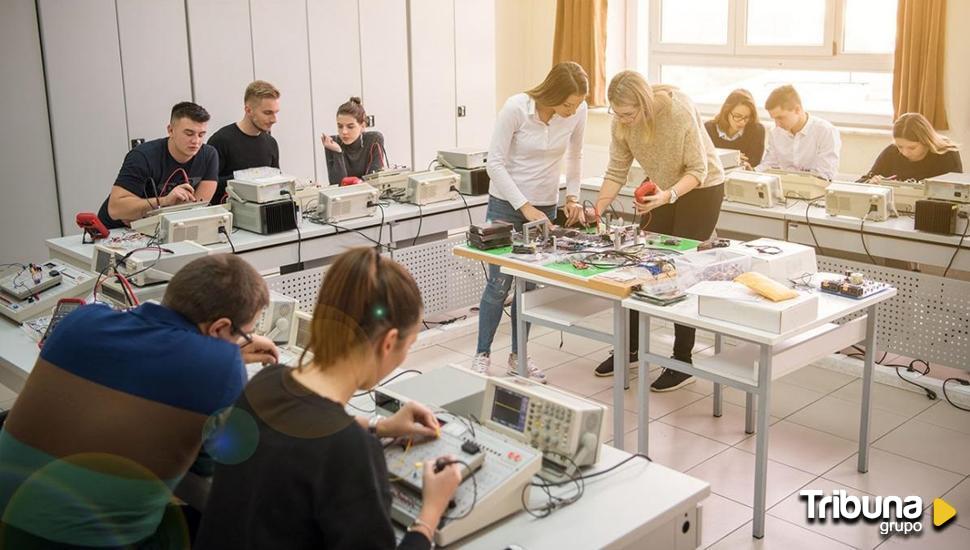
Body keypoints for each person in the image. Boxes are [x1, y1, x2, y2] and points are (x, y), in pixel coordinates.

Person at [0, 254, 278, 548]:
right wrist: (226, 361)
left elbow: (134, 364)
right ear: (220, 329)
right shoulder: (222, 366)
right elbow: (212, 469)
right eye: (246, 335)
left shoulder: (80, 321)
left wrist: (217, 355)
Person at [195, 247, 461, 550]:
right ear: (388, 343)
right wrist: (429, 514)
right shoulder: (350, 450)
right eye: (408, 344)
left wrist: (380, 426)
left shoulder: (267, 383)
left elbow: (298, 436)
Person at [593, 71, 724, 391]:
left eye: (628, 113)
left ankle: (682, 361)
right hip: (663, 189)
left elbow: (698, 169)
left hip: (702, 189)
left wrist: (668, 196)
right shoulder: (620, 123)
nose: (623, 120)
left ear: (645, 104)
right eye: (617, 113)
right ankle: (630, 349)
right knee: (640, 265)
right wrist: (596, 210)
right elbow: (616, 170)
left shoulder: (678, 112)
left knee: (680, 269)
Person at [472, 61, 589, 382]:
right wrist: (523, 207)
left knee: (529, 288)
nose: (572, 110)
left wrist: (573, 197)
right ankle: (482, 355)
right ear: (552, 93)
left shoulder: (578, 112)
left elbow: (575, 155)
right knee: (499, 285)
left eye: (577, 104)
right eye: (567, 104)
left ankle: (518, 357)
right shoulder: (516, 109)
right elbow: (493, 163)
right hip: (507, 204)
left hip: (545, 206)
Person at [97, 101, 219, 229]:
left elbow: (197, 208)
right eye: (189, 134)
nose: (196, 141)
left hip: (160, 226)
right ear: (170, 130)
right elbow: (116, 209)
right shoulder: (142, 156)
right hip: (116, 230)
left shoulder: (209, 155)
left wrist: (146, 214)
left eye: (201, 135)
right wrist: (165, 201)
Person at [207, 80, 281, 205]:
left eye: (276, 112)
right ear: (248, 110)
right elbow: (208, 186)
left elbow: (276, 183)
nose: (274, 119)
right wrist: (245, 178)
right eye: (267, 113)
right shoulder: (221, 140)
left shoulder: (271, 143)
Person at [756, 84, 841, 180]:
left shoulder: (826, 132)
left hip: (816, 191)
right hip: (785, 187)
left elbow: (825, 175)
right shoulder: (775, 132)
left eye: (780, 118)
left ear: (797, 109)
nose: (777, 124)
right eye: (774, 119)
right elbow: (769, 165)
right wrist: (751, 173)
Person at [863, 112, 962, 182]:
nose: (905, 153)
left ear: (926, 142)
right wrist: (871, 183)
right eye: (900, 146)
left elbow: (956, 193)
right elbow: (862, 181)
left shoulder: (947, 154)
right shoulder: (892, 151)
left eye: (912, 148)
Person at [320, 97, 386, 185]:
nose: (344, 132)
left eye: (350, 127)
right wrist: (338, 151)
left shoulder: (374, 139)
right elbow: (338, 185)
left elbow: (374, 181)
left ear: (362, 126)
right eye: (340, 126)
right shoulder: (332, 144)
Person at [704, 89, 766, 169]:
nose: (742, 122)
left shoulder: (757, 130)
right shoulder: (709, 128)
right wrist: (731, 158)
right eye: (737, 116)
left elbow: (754, 162)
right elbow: (703, 159)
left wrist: (722, 158)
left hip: (742, 177)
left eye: (747, 117)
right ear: (726, 112)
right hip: (714, 176)